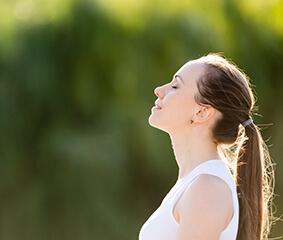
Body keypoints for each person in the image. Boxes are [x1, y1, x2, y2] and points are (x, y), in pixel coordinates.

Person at [139, 53, 275, 240]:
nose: (159, 90)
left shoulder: (207, 187)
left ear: (202, 112)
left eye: (175, 86)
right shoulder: (196, 183)